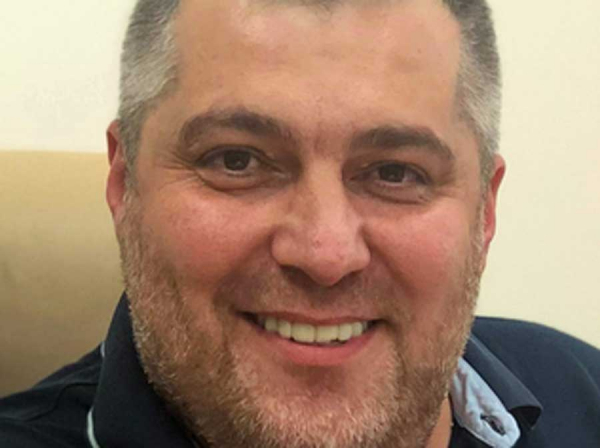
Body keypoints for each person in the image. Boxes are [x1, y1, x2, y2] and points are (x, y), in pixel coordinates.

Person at [1, 0, 599, 446]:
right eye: (236, 161)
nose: (324, 253)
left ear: (485, 209)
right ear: (124, 183)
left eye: (395, 172)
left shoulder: (583, 390)